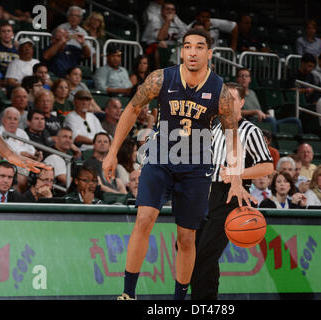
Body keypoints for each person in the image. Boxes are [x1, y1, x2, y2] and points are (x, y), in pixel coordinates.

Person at [102, 28, 254, 300]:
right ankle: (127, 294)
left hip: (196, 167)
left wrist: (236, 176)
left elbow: (232, 138)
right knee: (144, 218)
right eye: (187, 46)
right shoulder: (160, 78)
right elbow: (132, 109)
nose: (192, 52)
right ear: (181, 51)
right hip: (160, 158)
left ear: (209, 53)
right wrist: (112, 151)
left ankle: (179, 300)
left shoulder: (220, 91)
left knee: (186, 238)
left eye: (199, 46)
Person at [190, 82, 273, 300]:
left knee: (205, 256)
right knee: (194, 256)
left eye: (233, 99)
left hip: (230, 197)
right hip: (205, 196)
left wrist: (238, 173)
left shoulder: (250, 131)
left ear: (242, 102)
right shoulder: (213, 128)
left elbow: (267, 166)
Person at [141, 1, 188, 69]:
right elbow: (160, 37)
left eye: (172, 9)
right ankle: (160, 72)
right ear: (162, 10)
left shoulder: (176, 20)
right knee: (161, 45)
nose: (170, 11)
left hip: (172, 48)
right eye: (167, 9)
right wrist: (168, 21)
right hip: (152, 46)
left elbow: (185, 35)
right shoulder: (155, 19)